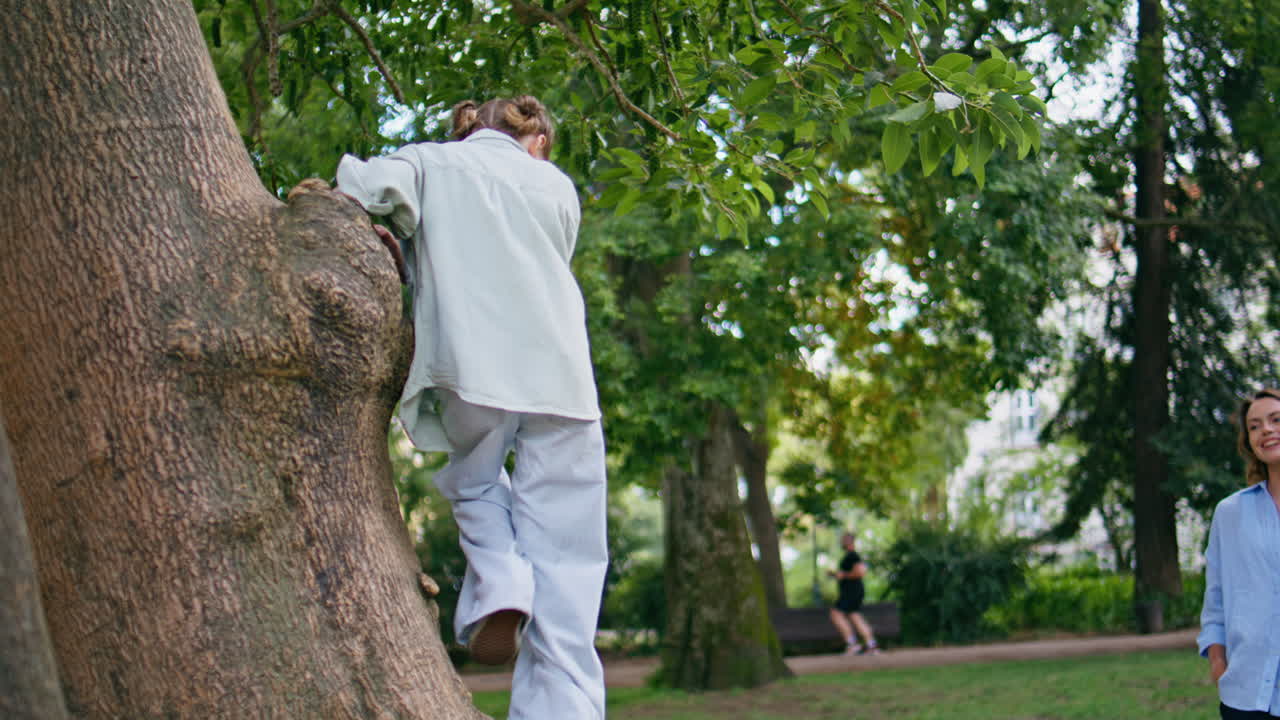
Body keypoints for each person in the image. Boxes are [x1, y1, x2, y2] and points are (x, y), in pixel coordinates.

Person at [335, 96, 607, 720]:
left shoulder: (431, 162)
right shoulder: (557, 186)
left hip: (472, 365)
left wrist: (387, 232)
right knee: (570, 553)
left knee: (476, 480)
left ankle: (500, 583)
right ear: (535, 137)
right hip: (561, 376)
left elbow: (361, 184)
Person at [1199, 387, 1280, 719]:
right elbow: (1215, 595)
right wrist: (1218, 661)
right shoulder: (1230, 513)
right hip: (1246, 695)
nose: (1266, 430)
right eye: (1255, 426)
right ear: (1249, 442)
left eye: (1276, 420)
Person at [828, 532, 880, 655]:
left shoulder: (853, 556)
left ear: (849, 541)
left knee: (836, 614)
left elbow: (860, 572)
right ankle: (871, 644)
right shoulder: (851, 556)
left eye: (843, 540)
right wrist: (836, 575)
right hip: (854, 591)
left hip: (851, 592)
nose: (841, 542)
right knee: (854, 616)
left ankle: (852, 644)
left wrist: (843, 575)